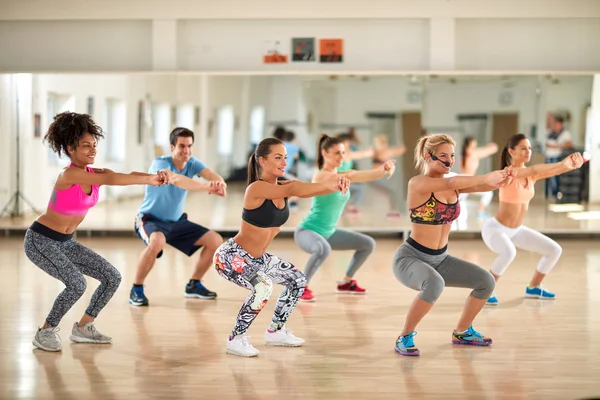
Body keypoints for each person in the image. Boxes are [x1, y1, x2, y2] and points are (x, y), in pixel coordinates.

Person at [25, 111, 165, 352]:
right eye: (85, 146)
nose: (92, 150)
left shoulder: (92, 174)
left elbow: (121, 175)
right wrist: (150, 180)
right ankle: (45, 332)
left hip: (66, 242)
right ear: (70, 148)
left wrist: (153, 177)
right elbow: (115, 180)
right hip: (41, 240)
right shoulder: (69, 174)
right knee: (76, 284)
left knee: (112, 277)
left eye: (94, 145)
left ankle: (84, 327)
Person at [213, 137, 350, 357]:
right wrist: (331, 183)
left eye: (285, 158)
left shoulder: (283, 187)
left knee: (297, 280)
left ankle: (276, 331)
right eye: (277, 157)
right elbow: (299, 188)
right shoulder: (256, 189)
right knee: (263, 286)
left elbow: (307, 189)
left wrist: (335, 184)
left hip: (258, 259)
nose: (283, 162)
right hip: (231, 256)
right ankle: (236, 339)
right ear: (262, 161)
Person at [392, 133, 511, 356]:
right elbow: (454, 181)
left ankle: (463, 331)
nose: (450, 160)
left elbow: (480, 187)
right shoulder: (418, 183)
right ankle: (404, 336)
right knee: (434, 284)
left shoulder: (453, 185)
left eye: (453, 155)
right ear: (428, 156)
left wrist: (501, 179)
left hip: (441, 259)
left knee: (485, 281)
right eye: (444, 156)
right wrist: (487, 176)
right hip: (411, 259)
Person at [481, 133, 585, 306]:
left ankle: (534, 287)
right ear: (511, 151)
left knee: (554, 250)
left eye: (529, 148)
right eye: (523, 148)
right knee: (509, 252)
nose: (527, 151)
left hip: (517, 230)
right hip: (495, 230)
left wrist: (570, 166)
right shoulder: (507, 174)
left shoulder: (530, 176)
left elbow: (551, 170)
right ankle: (485, 290)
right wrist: (563, 164)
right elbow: (536, 169)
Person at [130, 127, 227, 306]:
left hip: (176, 222)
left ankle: (194, 285)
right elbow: (176, 180)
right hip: (149, 219)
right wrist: (206, 187)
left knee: (215, 240)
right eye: (182, 146)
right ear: (172, 147)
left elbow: (212, 175)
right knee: (157, 242)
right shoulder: (161, 164)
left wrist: (219, 183)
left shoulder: (192, 163)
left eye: (189, 146)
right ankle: (136, 289)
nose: (186, 150)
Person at [295, 134, 395, 302]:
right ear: (324, 153)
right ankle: (300, 287)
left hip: (329, 232)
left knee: (367, 244)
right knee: (323, 249)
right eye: (336, 153)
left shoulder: (344, 174)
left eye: (343, 153)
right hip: (308, 231)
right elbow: (327, 183)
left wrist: (384, 168)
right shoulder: (319, 175)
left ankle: (346, 282)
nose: (341, 157)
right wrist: (339, 182)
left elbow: (368, 175)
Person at [459, 136, 499, 219]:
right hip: (468, 180)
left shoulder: (463, 154)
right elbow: (491, 149)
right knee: (488, 193)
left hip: (461, 179)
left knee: (459, 201)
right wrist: (492, 146)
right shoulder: (473, 153)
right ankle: (480, 211)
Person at [544, 115, 573, 199]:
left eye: (557, 124)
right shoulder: (550, 132)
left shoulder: (565, 134)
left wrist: (556, 146)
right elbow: (546, 144)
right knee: (546, 176)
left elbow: (570, 145)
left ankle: (555, 195)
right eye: (554, 124)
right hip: (548, 157)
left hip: (556, 157)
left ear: (561, 124)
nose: (555, 126)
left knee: (555, 177)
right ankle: (547, 195)